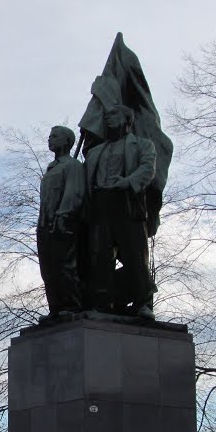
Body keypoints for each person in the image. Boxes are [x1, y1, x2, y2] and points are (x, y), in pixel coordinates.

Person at [84, 105, 156, 319]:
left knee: (135, 254)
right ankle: (104, 302)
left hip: (127, 201)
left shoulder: (143, 145)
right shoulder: (96, 151)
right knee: (101, 256)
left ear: (128, 119)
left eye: (114, 115)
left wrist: (127, 182)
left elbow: (147, 169)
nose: (108, 119)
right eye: (106, 116)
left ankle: (143, 302)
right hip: (101, 204)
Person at [37, 125, 87, 320]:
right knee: (48, 269)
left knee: (65, 266)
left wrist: (62, 216)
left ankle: (71, 305)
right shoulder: (51, 168)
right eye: (50, 136)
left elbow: (74, 193)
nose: (50, 139)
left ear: (67, 141)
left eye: (55, 136)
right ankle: (55, 308)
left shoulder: (72, 166)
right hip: (45, 224)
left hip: (63, 222)